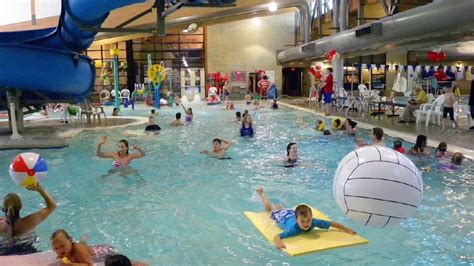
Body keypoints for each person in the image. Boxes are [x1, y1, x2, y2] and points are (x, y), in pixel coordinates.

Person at [255, 188, 356, 249]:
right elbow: (277, 237)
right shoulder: (292, 230)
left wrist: (346, 229)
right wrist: (279, 245)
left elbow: (332, 224)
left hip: (291, 213)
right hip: (282, 217)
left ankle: (279, 207)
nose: (306, 223)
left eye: (308, 220)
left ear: (312, 218)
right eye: (302, 221)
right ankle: (261, 193)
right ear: (297, 220)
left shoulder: (314, 222)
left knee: (279, 207)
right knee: (269, 209)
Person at [0, 183, 56, 255]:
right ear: (20, 207)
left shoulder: (1, 225)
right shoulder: (29, 222)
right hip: (26, 251)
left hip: (4, 251)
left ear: (3, 209)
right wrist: (40, 190)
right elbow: (52, 206)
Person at [51, 229, 116, 265]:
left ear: (70, 241)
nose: (59, 250)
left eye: (62, 246)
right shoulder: (64, 253)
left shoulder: (77, 248)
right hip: (87, 251)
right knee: (83, 246)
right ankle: (83, 240)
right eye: (56, 248)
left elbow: (90, 265)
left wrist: (72, 265)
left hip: (103, 252)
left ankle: (83, 240)